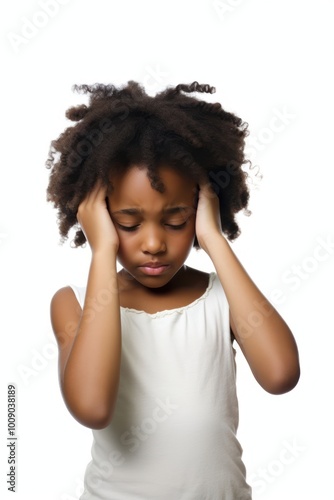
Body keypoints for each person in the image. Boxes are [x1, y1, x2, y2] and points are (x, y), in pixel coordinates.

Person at [46, 81, 300, 499]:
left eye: (177, 220)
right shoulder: (73, 303)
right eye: (128, 224)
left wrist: (214, 240)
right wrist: (102, 253)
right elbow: (92, 406)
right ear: (99, 219)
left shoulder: (223, 298)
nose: (153, 243)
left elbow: (280, 374)